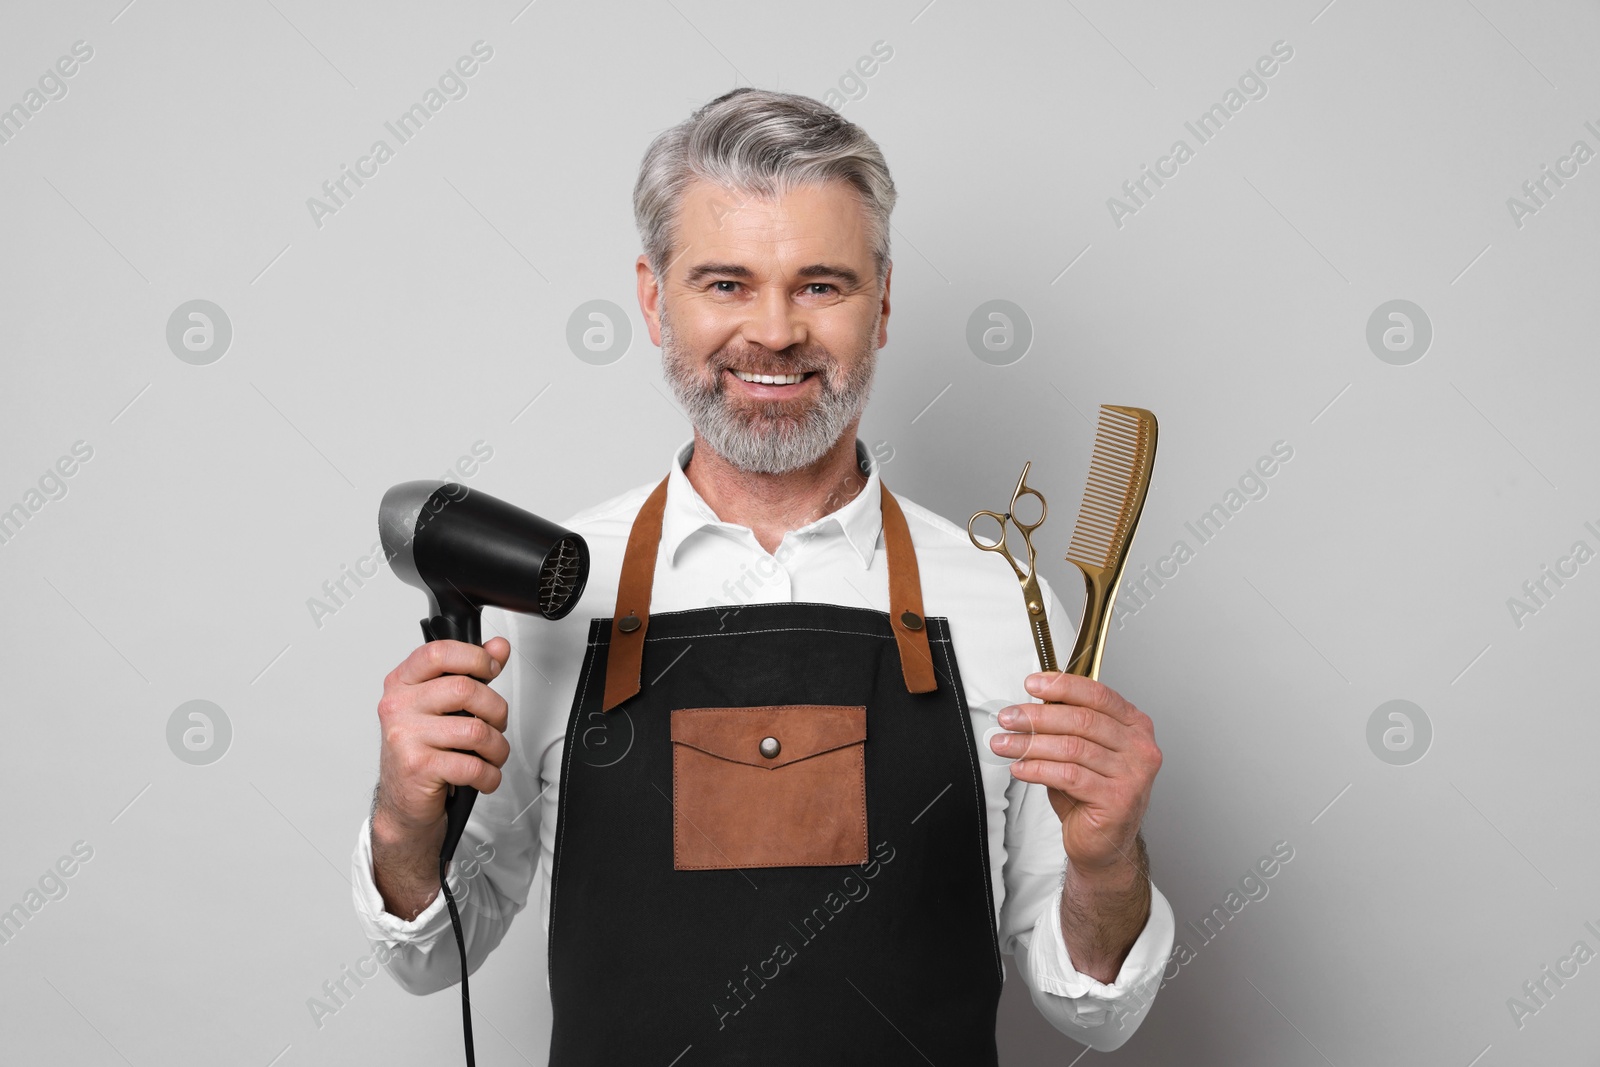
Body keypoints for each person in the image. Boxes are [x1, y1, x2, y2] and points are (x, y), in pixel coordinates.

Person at [351, 87, 1175, 1063]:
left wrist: (1109, 858)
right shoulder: (548, 592)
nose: (775, 331)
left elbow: (1093, 1009)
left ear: (882, 302)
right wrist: (404, 814)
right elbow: (432, 948)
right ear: (656, 298)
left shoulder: (1006, 603)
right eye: (727, 283)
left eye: (821, 284)